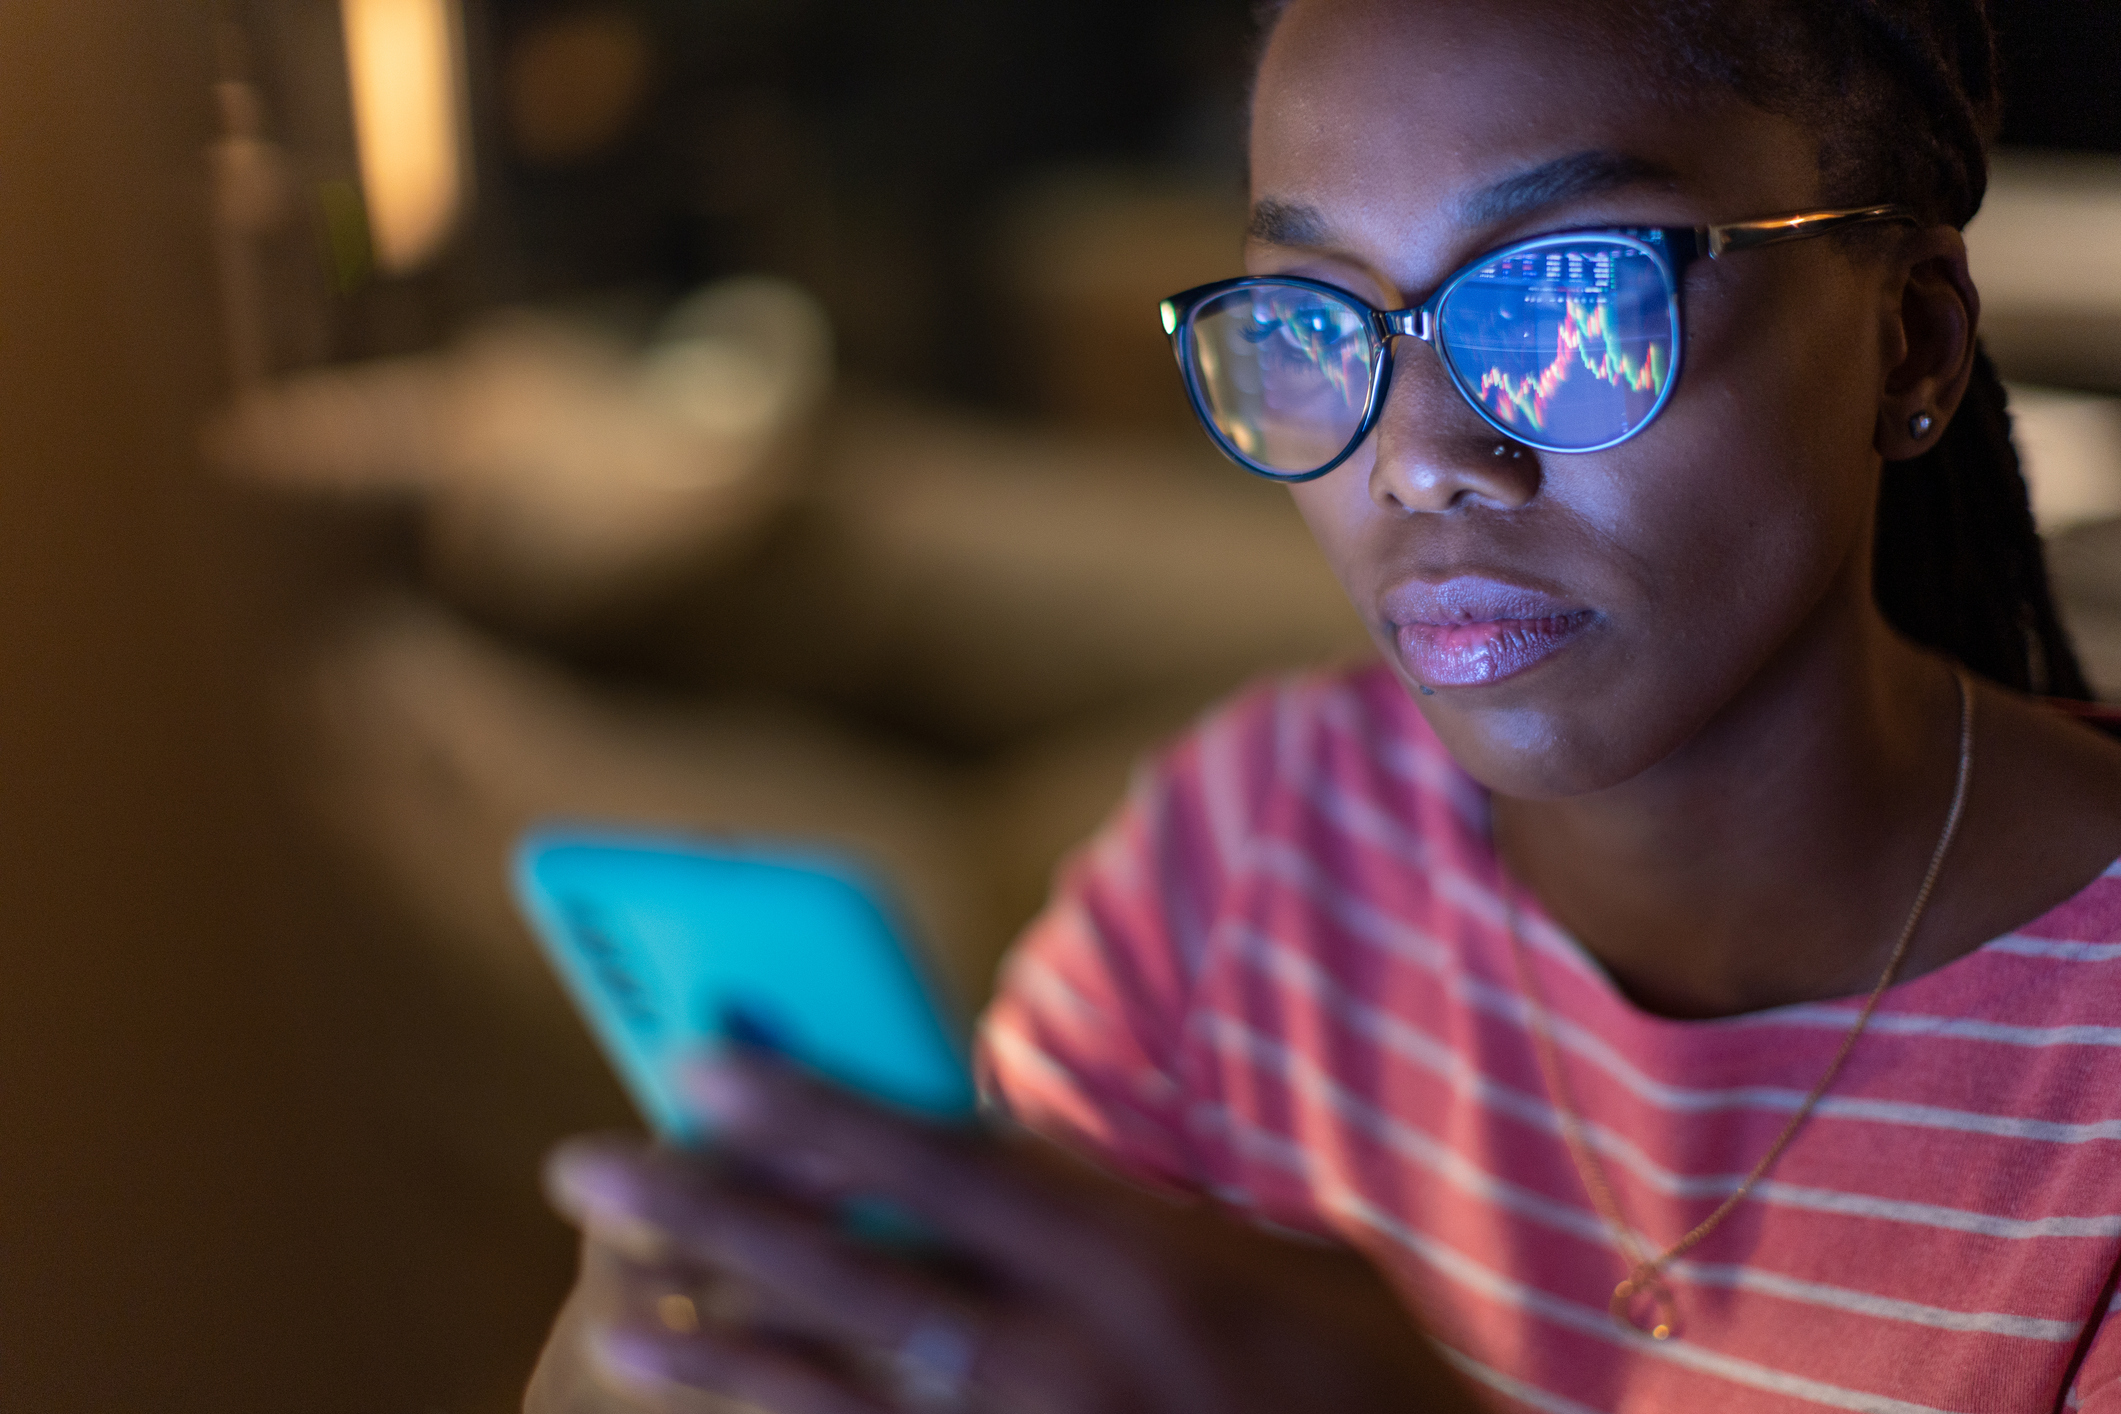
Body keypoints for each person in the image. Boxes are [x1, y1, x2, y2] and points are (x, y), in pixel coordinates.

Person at [524, 0, 2121, 1409]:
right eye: (1309, 321)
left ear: (1909, 338)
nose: (1418, 457)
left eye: (1567, 299)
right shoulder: (1253, 842)